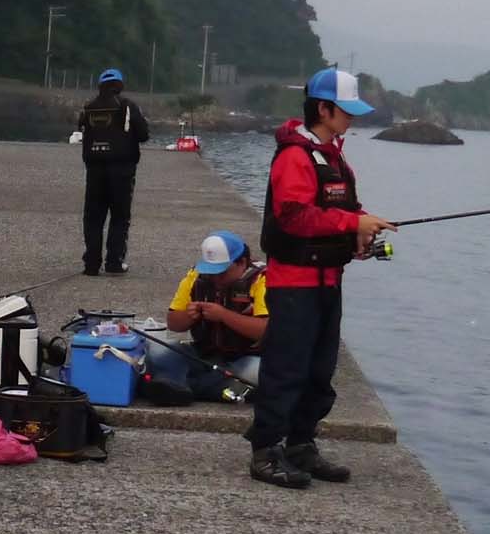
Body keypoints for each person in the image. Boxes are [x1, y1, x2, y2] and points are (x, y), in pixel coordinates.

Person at [247, 67, 395, 489]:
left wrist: (360, 233)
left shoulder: (334, 156)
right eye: (345, 110)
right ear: (323, 109)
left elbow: (342, 211)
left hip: (329, 282)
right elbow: (294, 215)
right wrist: (352, 223)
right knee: (286, 368)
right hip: (294, 284)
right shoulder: (294, 156)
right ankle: (265, 451)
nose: (352, 117)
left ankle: (300, 444)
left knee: (319, 371)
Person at [166, 230, 268, 389]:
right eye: (211, 271)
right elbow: (172, 323)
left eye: (222, 272)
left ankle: (187, 385)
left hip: (247, 357)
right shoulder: (195, 276)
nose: (215, 278)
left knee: (258, 372)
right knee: (159, 353)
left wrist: (223, 315)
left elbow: (265, 330)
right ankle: (213, 386)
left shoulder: (262, 279)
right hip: (203, 355)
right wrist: (189, 315)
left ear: (242, 263)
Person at [76, 67, 150, 276]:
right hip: (122, 170)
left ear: (100, 85)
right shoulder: (128, 106)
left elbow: (81, 128)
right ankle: (114, 262)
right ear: (120, 85)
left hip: (94, 169)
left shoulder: (89, 107)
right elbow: (143, 135)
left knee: (93, 217)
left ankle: (91, 264)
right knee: (119, 216)